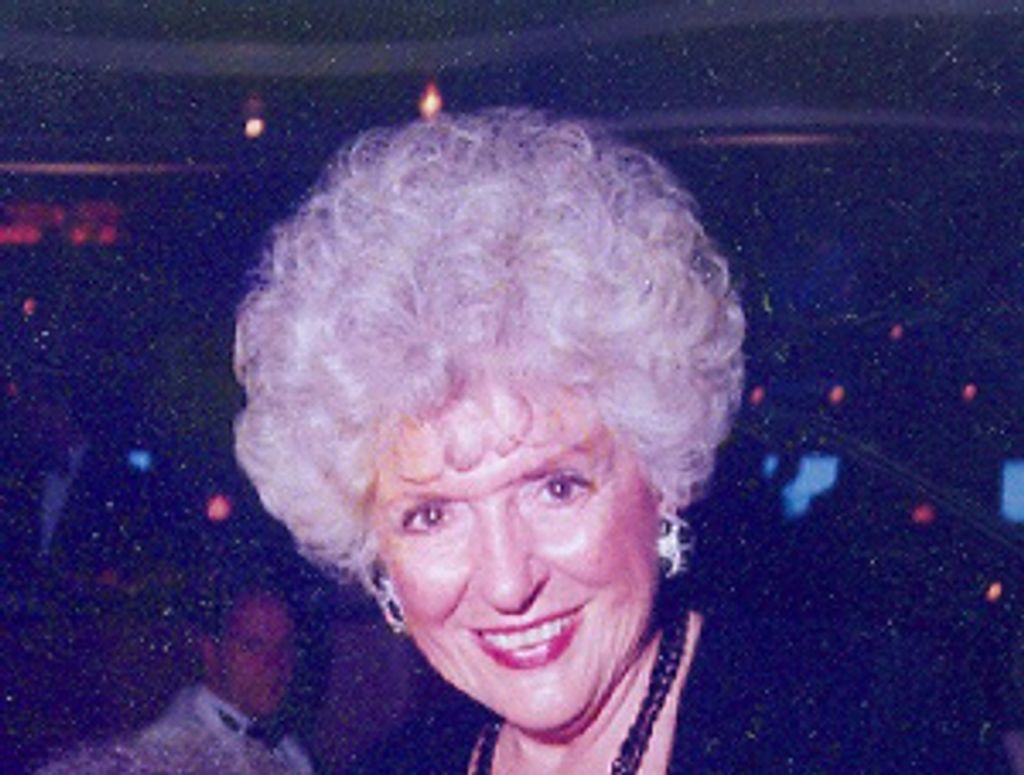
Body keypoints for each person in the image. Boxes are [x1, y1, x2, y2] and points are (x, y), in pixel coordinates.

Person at [234, 108, 748, 774]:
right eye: (431, 516)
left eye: (556, 488)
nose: (508, 583)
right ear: (378, 558)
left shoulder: (850, 728)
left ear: (663, 479)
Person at [37, 581, 315, 775]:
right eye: (253, 646)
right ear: (210, 652)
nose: (276, 664)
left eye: (285, 647)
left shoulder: (288, 749)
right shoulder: (167, 750)